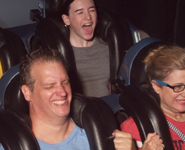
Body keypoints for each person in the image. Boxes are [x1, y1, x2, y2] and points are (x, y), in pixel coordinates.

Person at [0, 48, 135, 150]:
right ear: (27, 92)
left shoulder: (98, 131)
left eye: (65, 82)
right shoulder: (11, 145)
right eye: (49, 86)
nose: (62, 92)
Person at [59, 0, 110, 98]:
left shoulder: (108, 47)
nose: (88, 17)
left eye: (91, 10)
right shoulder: (60, 54)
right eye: (80, 12)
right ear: (66, 19)